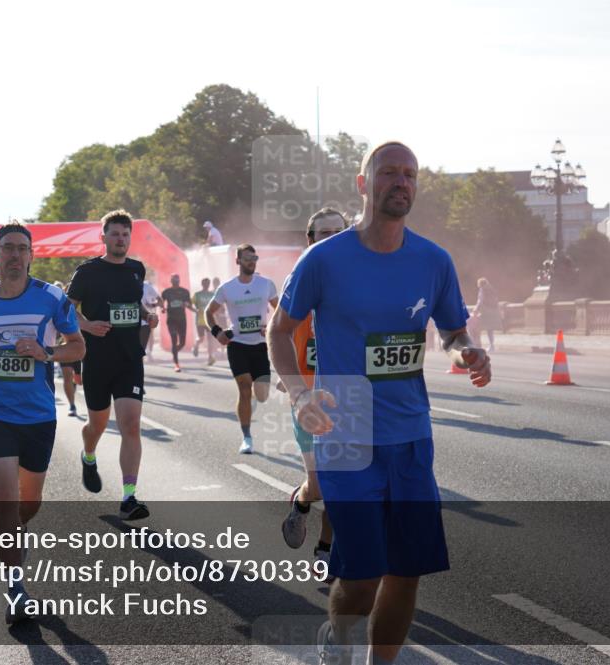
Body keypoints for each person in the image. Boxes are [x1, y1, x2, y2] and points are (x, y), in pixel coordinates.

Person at [267, 142, 491, 665]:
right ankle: (337, 638)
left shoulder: (433, 260)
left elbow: (453, 329)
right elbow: (280, 332)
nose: (401, 182)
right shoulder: (324, 259)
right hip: (346, 433)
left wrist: (466, 351)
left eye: (410, 174)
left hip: (411, 435)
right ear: (363, 183)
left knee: (406, 570)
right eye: (389, 172)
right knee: (363, 574)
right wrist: (299, 395)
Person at [0, 221, 84, 624]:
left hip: (38, 416)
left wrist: (46, 353)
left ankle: (14, 537)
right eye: (7, 248)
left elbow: (78, 347)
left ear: (31, 255)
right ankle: (16, 588)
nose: (15, 256)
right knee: (5, 500)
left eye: (22, 249)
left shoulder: (51, 298)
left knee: (29, 504)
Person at [67, 210, 158, 520]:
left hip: (129, 358)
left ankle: (129, 497)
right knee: (98, 425)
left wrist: (147, 316)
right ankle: (88, 455)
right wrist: (88, 326)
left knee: (131, 424)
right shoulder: (87, 272)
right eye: (115, 233)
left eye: (125, 234)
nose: (121, 239)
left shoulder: (136, 269)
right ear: (103, 237)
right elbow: (66, 311)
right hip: (96, 359)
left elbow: (134, 302)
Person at [278, 208, 347, 578]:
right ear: (310, 239)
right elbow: (279, 333)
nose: (332, 239)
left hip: (348, 395)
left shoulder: (358, 281)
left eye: (340, 231)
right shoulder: (300, 279)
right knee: (320, 484)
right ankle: (302, 500)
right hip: (307, 395)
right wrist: (290, 379)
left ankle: (325, 550)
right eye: (324, 233)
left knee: (340, 481)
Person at [206, 244, 278, 454]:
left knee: (262, 394)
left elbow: (280, 309)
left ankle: (252, 400)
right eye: (247, 258)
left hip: (260, 345)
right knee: (244, 388)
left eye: (254, 258)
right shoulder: (228, 288)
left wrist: (271, 326)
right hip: (237, 344)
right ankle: (246, 437)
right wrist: (217, 332)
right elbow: (208, 312)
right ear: (237, 261)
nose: (251, 261)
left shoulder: (266, 285)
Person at [53, 281, 83, 416]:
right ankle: (72, 405)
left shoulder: (82, 306)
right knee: (67, 376)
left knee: (78, 378)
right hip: (64, 345)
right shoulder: (58, 305)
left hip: (81, 346)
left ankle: (76, 387)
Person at [161, 274, 196, 372]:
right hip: (171, 319)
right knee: (173, 338)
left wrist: (192, 308)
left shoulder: (185, 292)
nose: (175, 281)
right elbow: (161, 302)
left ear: (179, 281)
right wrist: (162, 308)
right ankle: (176, 364)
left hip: (182, 319)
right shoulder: (166, 292)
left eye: (177, 279)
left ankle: (174, 352)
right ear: (171, 281)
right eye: (173, 280)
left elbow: (189, 304)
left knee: (182, 343)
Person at [471, 277, 501, 353]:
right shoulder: (492, 289)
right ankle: (492, 345)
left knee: (477, 327)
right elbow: (496, 300)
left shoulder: (482, 290)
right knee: (490, 329)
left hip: (485, 311)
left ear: (480, 284)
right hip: (493, 311)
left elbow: (480, 301)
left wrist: (475, 310)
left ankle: (477, 344)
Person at [192, 278, 216, 365]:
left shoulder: (212, 294)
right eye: (205, 283)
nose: (206, 285)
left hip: (209, 320)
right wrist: (195, 310)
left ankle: (210, 357)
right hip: (200, 321)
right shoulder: (197, 294)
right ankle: (196, 345)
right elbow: (189, 304)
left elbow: (217, 305)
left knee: (210, 339)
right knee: (201, 339)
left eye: (208, 283)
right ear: (202, 284)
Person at [139, 276, 161, 361]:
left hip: (148, 315)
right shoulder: (130, 285)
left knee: (150, 334)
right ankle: (141, 354)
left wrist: (153, 305)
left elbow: (159, 299)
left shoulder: (147, 286)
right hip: (137, 316)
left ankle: (149, 353)